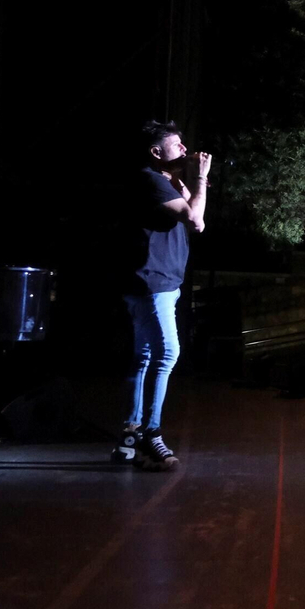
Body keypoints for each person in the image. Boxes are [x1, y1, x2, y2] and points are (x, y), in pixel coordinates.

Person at [117, 120, 210, 471]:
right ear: (156, 152)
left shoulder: (169, 180)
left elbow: (199, 221)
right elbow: (192, 217)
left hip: (159, 281)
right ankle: (150, 433)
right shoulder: (150, 179)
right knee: (167, 353)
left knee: (144, 356)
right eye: (177, 145)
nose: (185, 150)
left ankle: (130, 434)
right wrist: (200, 179)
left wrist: (191, 181)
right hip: (152, 281)